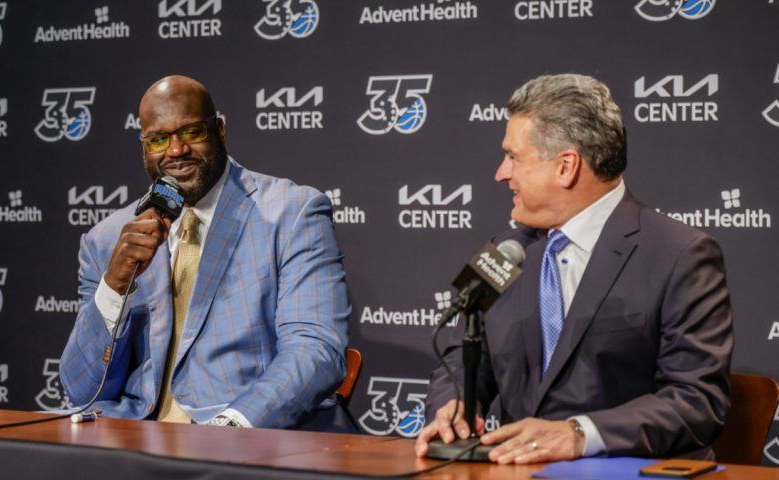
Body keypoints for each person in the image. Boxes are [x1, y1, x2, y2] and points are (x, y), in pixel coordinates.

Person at [416, 74, 733, 463]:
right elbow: (461, 355)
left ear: (566, 166)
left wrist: (579, 435)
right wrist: (455, 406)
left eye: (513, 157)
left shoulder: (681, 254)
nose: (501, 173)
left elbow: (696, 400)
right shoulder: (503, 250)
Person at [60, 75, 354, 431]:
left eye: (192, 132)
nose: (175, 150)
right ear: (143, 146)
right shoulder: (108, 239)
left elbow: (315, 350)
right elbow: (82, 390)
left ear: (220, 129)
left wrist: (230, 428)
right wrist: (115, 284)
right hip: (138, 441)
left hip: (248, 437)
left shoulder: (291, 213)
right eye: (158, 139)